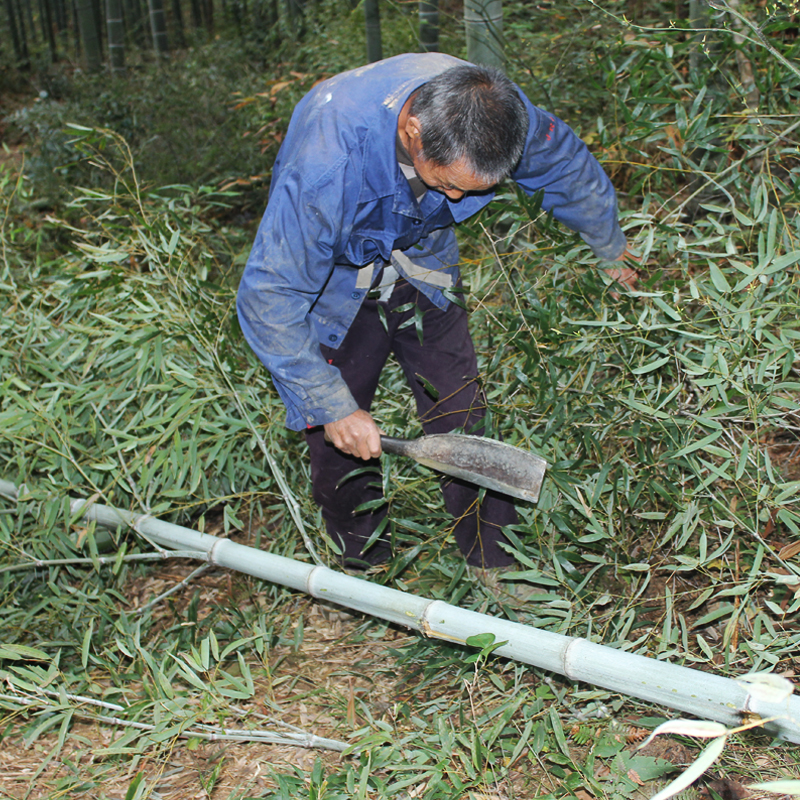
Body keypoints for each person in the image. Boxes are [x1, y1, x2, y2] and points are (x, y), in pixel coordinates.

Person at [237, 53, 635, 574]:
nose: (453, 197)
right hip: (332, 282)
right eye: (447, 183)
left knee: (459, 410)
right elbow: (270, 293)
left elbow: (564, 165)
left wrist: (610, 248)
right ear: (413, 130)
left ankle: (496, 564)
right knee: (340, 436)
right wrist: (329, 403)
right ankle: (365, 569)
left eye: (471, 192)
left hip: (424, 259)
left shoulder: (500, 112)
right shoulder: (328, 162)